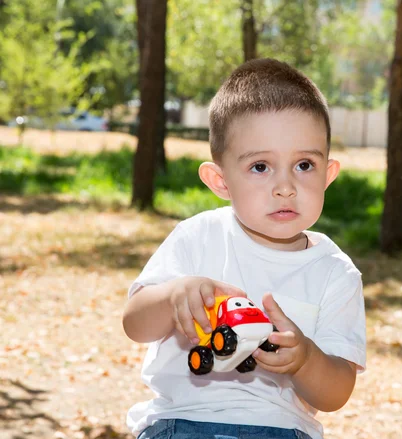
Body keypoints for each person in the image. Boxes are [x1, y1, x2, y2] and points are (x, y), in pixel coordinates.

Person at [122, 58, 366, 439]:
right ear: (220, 181)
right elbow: (134, 323)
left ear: (328, 174)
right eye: (260, 167)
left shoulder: (334, 271)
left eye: (304, 165)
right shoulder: (197, 237)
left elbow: (336, 392)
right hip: (182, 423)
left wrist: (305, 359)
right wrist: (173, 296)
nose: (285, 186)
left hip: (281, 429)